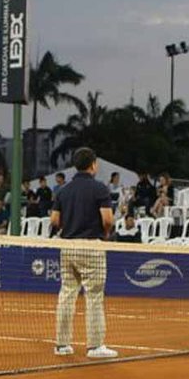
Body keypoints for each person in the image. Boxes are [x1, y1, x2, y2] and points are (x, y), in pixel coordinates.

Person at [51, 147, 117, 359]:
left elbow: (54, 221)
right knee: (94, 296)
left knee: (67, 294)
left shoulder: (63, 191)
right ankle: (95, 346)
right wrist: (105, 234)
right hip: (91, 246)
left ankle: (62, 345)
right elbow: (107, 219)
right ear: (93, 165)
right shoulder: (100, 189)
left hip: (67, 246)